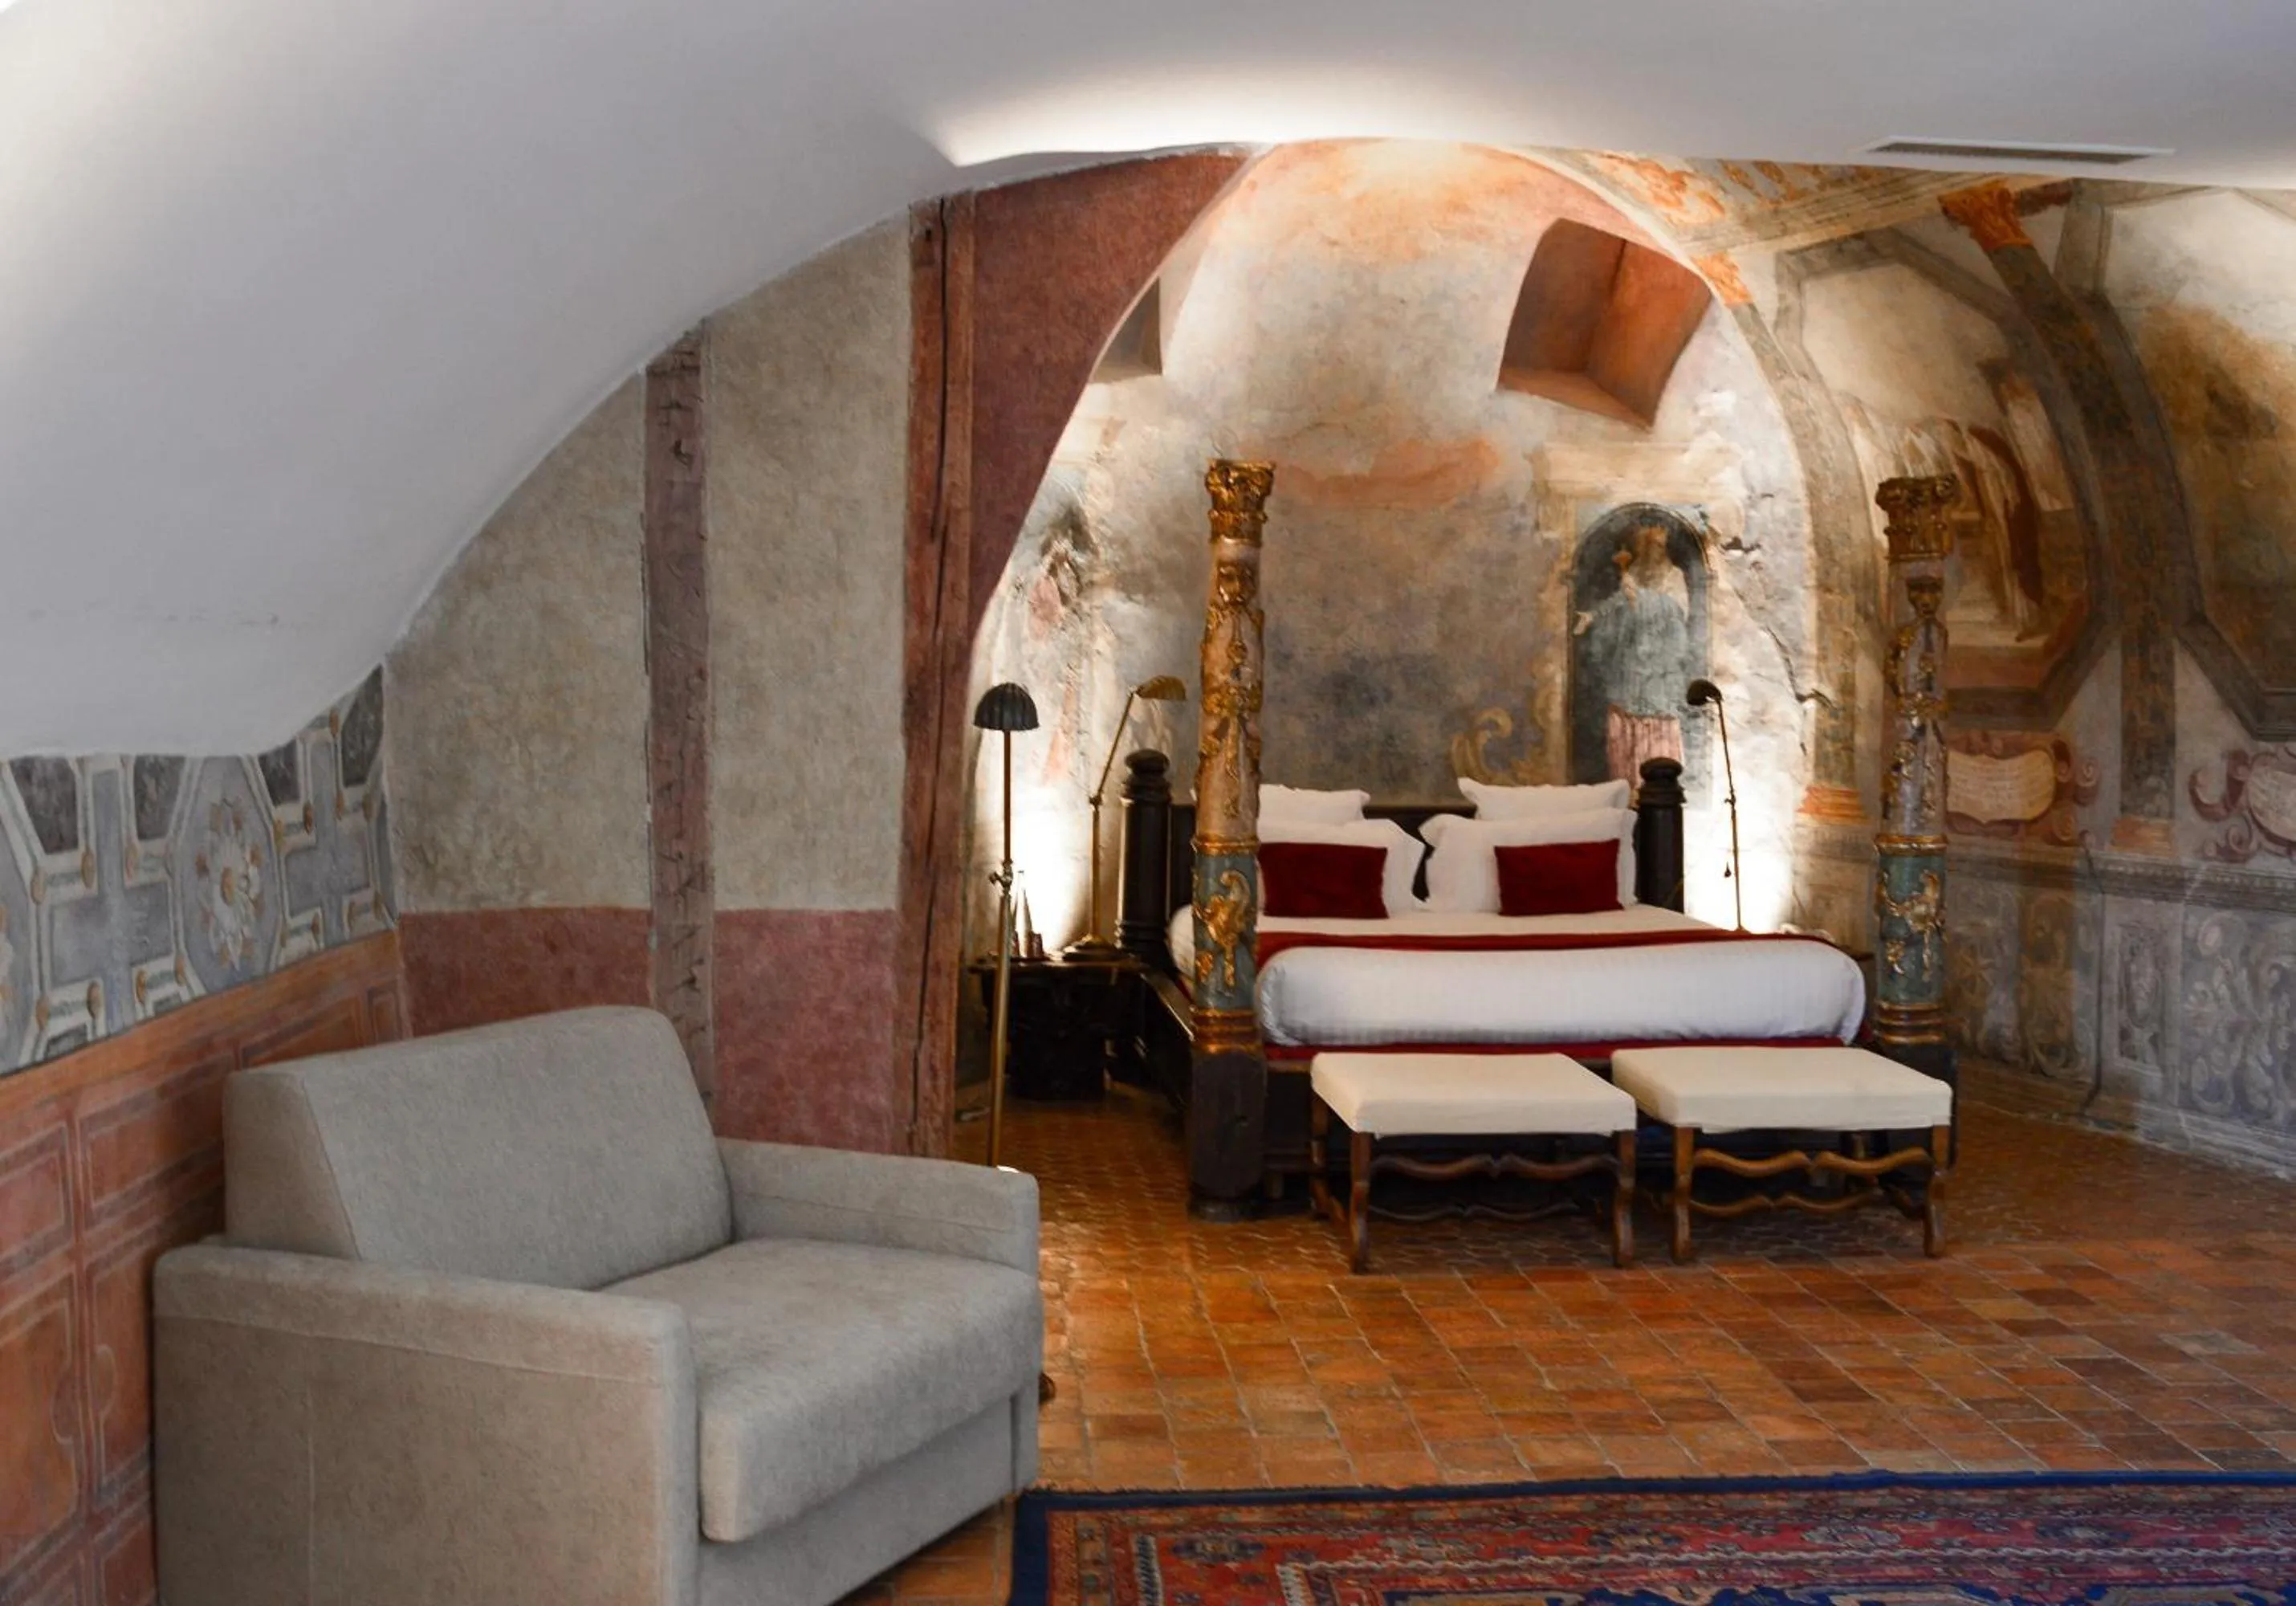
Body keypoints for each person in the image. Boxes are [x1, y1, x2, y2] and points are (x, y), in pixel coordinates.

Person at [1574, 522, 1693, 785]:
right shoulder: (1634, 572)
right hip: (1630, 665)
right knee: (1625, 721)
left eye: (1657, 547)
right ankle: (1626, 787)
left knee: (1656, 725)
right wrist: (1595, 615)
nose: (1651, 553)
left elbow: (1678, 612)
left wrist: (1640, 600)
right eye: (1647, 547)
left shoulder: (1673, 576)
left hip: (1658, 667)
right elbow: (1616, 606)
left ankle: (1656, 788)